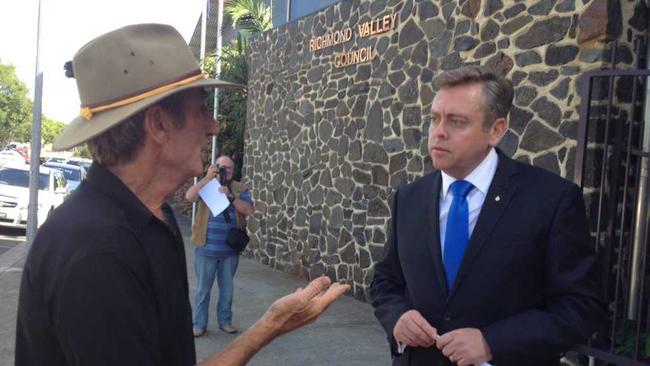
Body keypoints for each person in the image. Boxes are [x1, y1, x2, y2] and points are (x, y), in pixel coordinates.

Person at [15, 23, 349, 366]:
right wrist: (270, 326)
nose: (215, 125)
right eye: (202, 109)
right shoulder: (95, 252)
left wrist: (270, 325)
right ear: (158, 124)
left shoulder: (153, 217)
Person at [370, 65, 603, 366]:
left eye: (457, 122)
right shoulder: (409, 199)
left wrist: (492, 342)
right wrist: (398, 318)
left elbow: (581, 306)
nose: (439, 132)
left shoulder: (551, 200)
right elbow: (385, 281)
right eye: (434, 119)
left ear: (496, 130)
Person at [186, 156, 254, 336]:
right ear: (215, 167)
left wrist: (230, 196)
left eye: (230, 168)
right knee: (202, 289)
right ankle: (199, 324)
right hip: (206, 247)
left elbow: (248, 210)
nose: (227, 171)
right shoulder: (207, 185)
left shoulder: (239, 187)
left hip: (230, 250)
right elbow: (190, 196)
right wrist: (207, 178)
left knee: (227, 289)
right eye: (223, 167)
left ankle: (225, 321)